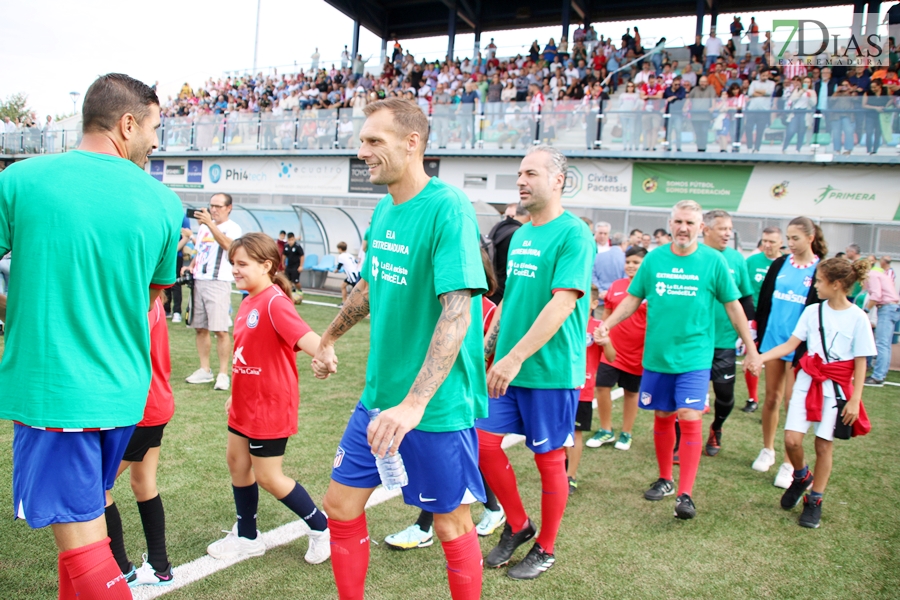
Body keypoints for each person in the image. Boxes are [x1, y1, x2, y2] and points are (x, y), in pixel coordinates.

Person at [0, 73, 182, 599]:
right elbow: (151, 298)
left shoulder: (20, 180)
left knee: (82, 543)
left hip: (57, 395)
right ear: (126, 123)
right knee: (87, 530)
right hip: (124, 395)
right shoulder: (164, 202)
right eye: (153, 128)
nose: (154, 141)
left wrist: (17, 309)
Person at [312, 98, 489, 600]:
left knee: (452, 523)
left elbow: (458, 313)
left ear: (412, 144)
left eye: (374, 141)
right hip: (378, 396)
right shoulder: (386, 209)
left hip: (431, 409)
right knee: (341, 506)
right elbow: (369, 285)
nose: (362, 150)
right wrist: (328, 337)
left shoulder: (448, 207)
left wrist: (413, 405)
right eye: (362, 140)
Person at [477, 144, 595, 578]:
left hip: (549, 370)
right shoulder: (522, 235)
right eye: (519, 174)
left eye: (530, 173)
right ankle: (519, 524)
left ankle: (545, 547)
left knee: (548, 460)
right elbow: (511, 298)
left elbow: (563, 302)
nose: (521, 181)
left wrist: (514, 357)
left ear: (558, 180)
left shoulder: (574, 233)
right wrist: (490, 347)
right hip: (508, 363)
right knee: (483, 444)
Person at [600, 200, 759, 520]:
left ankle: (686, 493)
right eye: (678, 222)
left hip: (695, 356)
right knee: (662, 415)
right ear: (670, 224)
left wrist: (751, 348)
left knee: (689, 415)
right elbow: (633, 298)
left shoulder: (713, 262)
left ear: (701, 228)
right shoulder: (655, 259)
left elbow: (734, 306)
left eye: (690, 223)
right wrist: (608, 323)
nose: (683, 228)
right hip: (658, 356)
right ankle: (665, 479)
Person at [206, 233, 331, 564]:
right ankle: (247, 536)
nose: (235, 269)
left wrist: (326, 356)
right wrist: (235, 395)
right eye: (233, 263)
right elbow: (246, 353)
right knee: (237, 464)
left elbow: (307, 338)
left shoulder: (275, 301)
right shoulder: (249, 299)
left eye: (242, 264)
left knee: (269, 477)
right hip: (245, 403)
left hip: (270, 406)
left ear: (266, 266)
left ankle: (321, 527)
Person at [383, 250, 508, 550]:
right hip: (436, 392)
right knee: (450, 464)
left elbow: (487, 349)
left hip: (463, 396)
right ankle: (489, 510)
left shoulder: (486, 309)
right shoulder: (438, 304)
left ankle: (432, 524)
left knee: (453, 463)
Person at [748, 258, 875, 529]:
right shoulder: (812, 312)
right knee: (792, 440)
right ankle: (802, 476)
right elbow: (791, 345)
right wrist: (760, 357)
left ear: (837, 284)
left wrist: (855, 399)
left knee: (823, 445)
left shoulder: (858, 317)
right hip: (807, 381)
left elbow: (861, 361)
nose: (814, 285)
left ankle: (815, 499)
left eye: (819, 281)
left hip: (836, 389)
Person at [105, 296, 175, 587]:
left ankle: (122, 570)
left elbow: (120, 343)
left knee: (94, 488)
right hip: (152, 405)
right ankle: (160, 567)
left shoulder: (143, 299)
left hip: (140, 410)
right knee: (143, 482)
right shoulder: (146, 295)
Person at [753, 217, 827, 489]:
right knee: (770, 399)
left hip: (799, 349)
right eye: (789, 238)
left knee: (792, 403)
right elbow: (765, 301)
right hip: (772, 342)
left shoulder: (820, 268)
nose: (790, 243)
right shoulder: (779, 264)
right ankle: (768, 449)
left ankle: (788, 463)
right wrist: (756, 332)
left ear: (811, 237)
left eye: (795, 238)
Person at [701, 210, 755, 458]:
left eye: (729, 228)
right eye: (722, 228)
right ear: (706, 229)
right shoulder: (694, 256)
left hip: (723, 342)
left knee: (725, 395)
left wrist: (747, 336)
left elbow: (745, 300)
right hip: (695, 341)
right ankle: (680, 442)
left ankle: (716, 427)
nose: (727, 233)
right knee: (684, 398)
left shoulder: (736, 259)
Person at [587, 246, 647, 451]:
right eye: (628, 262)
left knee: (631, 392)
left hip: (637, 352)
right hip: (612, 349)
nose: (630, 266)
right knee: (602, 387)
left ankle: (626, 433)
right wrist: (603, 334)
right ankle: (606, 430)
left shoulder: (650, 288)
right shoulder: (616, 285)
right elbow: (607, 316)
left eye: (636, 262)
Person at [183, 192, 242, 391]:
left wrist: (210, 224)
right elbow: (201, 251)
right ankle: (204, 369)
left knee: (220, 330)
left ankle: (223, 373)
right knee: (199, 327)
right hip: (199, 280)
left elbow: (230, 247)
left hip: (218, 282)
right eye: (211, 205)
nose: (213, 209)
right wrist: (191, 265)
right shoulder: (203, 228)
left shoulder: (232, 228)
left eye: (218, 206)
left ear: (229, 208)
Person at [567, 285, 616, 493]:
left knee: (576, 432)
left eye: (583, 299)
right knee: (558, 432)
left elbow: (612, 357)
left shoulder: (597, 327)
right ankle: (559, 467)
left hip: (582, 389)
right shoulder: (563, 322)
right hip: (558, 387)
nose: (578, 303)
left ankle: (571, 476)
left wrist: (605, 343)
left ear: (595, 304)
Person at [742, 227, 783, 413]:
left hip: (777, 320)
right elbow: (743, 291)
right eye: (765, 240)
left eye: (772, 241)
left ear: (781, 243)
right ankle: (753, 398)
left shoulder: (786, 263)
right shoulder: (751, 262)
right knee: (753, 356)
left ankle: (773, 402)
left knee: (777, 362)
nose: (767, 245)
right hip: (755, 317)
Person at [863, 260, 900, 386]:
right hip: (892, 307)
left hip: (886, 308)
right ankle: (880, 374)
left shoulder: (871, 275)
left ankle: (878, 376)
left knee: (882, 343)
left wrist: (866, 310)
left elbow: (876, 296)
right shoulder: (879, 274)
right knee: (885, 344)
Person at [486, 203, 530, 304]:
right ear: (529, 217)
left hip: (489, 287)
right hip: (504, 292)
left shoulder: (498, 227)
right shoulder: (519, 234)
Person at [165, 216, 193, 322]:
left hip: (177, 255)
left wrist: (172, 252)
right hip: (164, 255)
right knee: (163, 281)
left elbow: (186, 235)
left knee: (176, 283)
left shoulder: (182, 216)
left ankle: (177, 311)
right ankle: (166, 309)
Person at [592, 232, 625, 310]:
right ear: (623, 243)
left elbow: (592, 276)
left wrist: (600, 291)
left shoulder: (598, 257)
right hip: (619, 301)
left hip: (600, 299)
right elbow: (626, 280)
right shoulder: (626, 259)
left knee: (599, 322)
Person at [745, 68, 775, 153]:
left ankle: (757, 148)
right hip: (752, 110)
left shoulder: (771, 83)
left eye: (766, 75)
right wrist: (763, 92)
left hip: (764, 111)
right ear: (760, 75)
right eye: (763, 75)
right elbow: (750, 93)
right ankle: (749, 147)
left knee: (760, 130)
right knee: (748, 128)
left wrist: (757, 91)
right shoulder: (754, 83)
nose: (765, 77)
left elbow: (769, 93)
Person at [687, 76, 717, 151]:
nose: (702, 83)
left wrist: (713, 107)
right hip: (695, 116)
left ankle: (703, 147)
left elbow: (713, 99)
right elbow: (689, 99)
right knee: (697, 132)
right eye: (701, 81)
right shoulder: (695, 89)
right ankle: (699, 147)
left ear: (707, 82)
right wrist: (685, 107)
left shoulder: (711, 89)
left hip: (705, 116)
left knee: (704, 132)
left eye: (704, 81)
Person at [335, 241, 360, 306]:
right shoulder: (350, 255)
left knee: (356, 291)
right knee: (343, 286)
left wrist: (336, 270)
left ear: (340, 248)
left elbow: (339, 266)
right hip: (355, 273)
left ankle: (355, 304)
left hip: (352, 275)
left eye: (338, 249)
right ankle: (344, 302)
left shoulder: (341, 256)